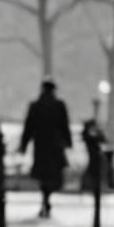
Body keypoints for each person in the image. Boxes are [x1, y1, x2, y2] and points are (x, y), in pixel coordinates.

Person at [19, 79, 71, 218]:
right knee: (52, 173)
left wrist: (23, 144)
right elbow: (64, 125)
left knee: (43, 174)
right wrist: (67, 141)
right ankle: (47, 199)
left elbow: (28, 126)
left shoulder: (36, 105)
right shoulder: (59, 105)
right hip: (55, 144)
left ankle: (45, 199)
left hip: (41, 144)